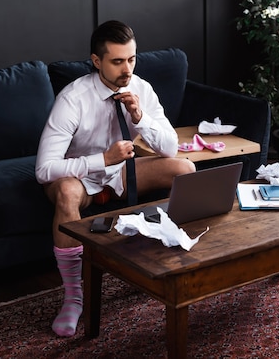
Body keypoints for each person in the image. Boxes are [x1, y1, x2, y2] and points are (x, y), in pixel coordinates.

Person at [35, 20, 195, 337]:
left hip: (122, 171)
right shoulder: (73, 99)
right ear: (97, 62)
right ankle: (73, 296)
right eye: (118, 61)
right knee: (66, 194)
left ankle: (175, 266)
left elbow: (171, 147)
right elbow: (44, 169)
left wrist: (140, 118)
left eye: (132, 59)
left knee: (184, 170)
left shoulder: (141, 89)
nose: (127, 69)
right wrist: (102, 159)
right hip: (80, 175)